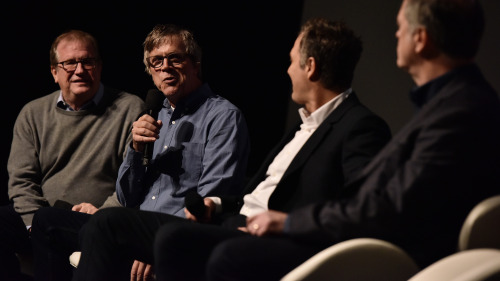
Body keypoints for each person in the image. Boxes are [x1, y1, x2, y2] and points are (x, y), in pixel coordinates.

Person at [147, 0, 500, 280]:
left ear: (420, 39)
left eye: (400, 28)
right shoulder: (450, 104)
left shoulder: (458, 111)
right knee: (166, 236)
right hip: (351, 235)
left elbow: (389, 207)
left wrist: (288, 222)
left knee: (216, 252)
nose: (396, 36)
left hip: (385, 255)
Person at [71, 18, 392, 281]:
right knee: (80, 224)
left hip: (274, 238)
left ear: (309, 67)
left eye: (292, 62)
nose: (287, 71)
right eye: (156, 62)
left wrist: (286, 222)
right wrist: (212, 204)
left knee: (136, 231)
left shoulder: (359, 126)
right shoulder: (303, 127)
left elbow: (362, 210)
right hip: (232, 221)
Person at [30, 23, 250, 281]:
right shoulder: (153, 114)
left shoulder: (223, 117)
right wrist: (135, 150)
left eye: (175, 58)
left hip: (176, 231)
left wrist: (155, 246)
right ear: (151, 72)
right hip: (130, 226)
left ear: (195, 63)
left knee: (104, 226)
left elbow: (211, 200)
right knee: (46, 221)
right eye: (156, 62)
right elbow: (126, 196)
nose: (165, 67)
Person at [0, 29, 146, 281]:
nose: (79, 70)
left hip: (97, 219)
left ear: (99, 67)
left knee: (50, 226)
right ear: (54, 72)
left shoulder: (130, 108)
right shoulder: (32, 113)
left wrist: (103, 210)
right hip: (42, 218)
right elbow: (21, 181)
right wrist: (34, 223)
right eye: (69, 63)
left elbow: (135, 178)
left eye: (87, 61)